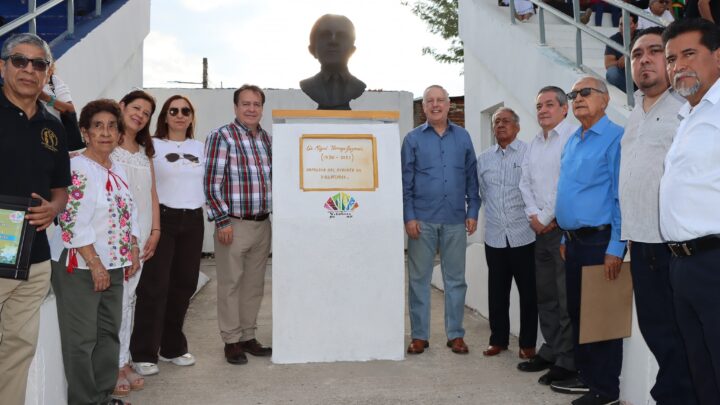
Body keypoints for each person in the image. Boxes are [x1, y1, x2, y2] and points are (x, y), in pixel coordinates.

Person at [618, 26, 698, 405]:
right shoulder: (633, 113)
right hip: (641, 243)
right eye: (636, 54)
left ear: (668, 62)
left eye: (654, 52)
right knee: (656, 334)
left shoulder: (686, 108)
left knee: (679, 339)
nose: (644, 60)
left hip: (674, 247)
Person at [51, 99, 139, 405]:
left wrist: (134, 247)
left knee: (108, 335)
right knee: (82, 340)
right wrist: (95, 262)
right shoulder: (77, 167)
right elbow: (70, 218)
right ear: (85, 132)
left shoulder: (118, 169)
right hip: (81, 265)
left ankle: (102, 396)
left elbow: (130, 211)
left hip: (114, 264)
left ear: (119, 133)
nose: (105, 132)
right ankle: (83, 400)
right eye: (97, 126)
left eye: (112, 126)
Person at [0, 33, 70, 405]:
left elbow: (61, 187)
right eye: (19, 61)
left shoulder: (53, 127)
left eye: (38, 64)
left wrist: (55, 207)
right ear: (3, 65)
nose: (29, 69)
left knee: (19, 349)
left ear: (48, 73)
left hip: (34, 258)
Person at [550, 76, 625, 405]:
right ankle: (587, 376)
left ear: (605, 100)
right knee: (579, 312)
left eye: (585, 92)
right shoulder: (573, 140)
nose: (577, 98)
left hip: (601, 242)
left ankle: (606, 391)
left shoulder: (615, 139)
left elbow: (620, 197)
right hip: (573, 242)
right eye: (573, 94)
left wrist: (616, 247)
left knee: (604, 317)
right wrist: (566, 235)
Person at [661, 18, 720, 404]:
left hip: (714, 262)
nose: (678, 65)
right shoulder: (689, 115)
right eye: (671, 59)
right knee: (702, 370)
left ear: (718, 56)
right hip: (683, 266)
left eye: (688, 54)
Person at [401, 84, 480, 355]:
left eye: (440, 100)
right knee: (418, 280)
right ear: (423, 107)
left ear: (449, 105)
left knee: (455, 280)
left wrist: (473, 211)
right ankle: (420, 336)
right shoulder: (412, 139)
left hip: (456, 219)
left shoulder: (464, 137)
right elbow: (405, 182)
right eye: (429, 101)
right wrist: (409, 216)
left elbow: (472, 177)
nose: (435, 105)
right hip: (421, 221)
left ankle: (455, 335)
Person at [130, 95, 204, 375]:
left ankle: (172, 347)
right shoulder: (151, 145)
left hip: (194, 220)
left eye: (186, 110)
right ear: (164, 115)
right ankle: (143, 352)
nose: (180, 115)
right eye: (174, 110)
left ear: (191, 116)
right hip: (164, 220)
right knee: (154, 287)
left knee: (184, 285)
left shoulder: (200, 146)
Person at [204, 84, 272, 365]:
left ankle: (248, 335)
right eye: (245, 103)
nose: (251, 109)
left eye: (256, 104)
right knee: (231, 284)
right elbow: (210, 183)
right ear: (235, 107)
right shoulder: (222, 137)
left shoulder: (267, 139)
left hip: (262, 223)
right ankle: (231, 340)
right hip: (233, 223)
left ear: (261, 108)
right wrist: (222, 221)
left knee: (254, 285)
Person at [518, 86, 577, 386]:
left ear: (564, 109)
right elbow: (524, 181)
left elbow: (564, 182)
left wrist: (544, 217)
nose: (543, 110)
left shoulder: (570, 138)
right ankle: (551, 349)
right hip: (540, 231)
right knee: (546, 296)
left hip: (561, 230)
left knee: (565, 297)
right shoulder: (534, 143)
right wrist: (534, 216)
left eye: (549, 104)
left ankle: (568, 359)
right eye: (539, 105)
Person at [476, 107, 538, 359]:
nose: (500, 125)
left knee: (528, 293)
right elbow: (482, 193)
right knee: (497, 293)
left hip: (524, 235)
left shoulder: (529, 153)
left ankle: (527, 344)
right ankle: (498, 339)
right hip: (494, 237)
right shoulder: (484, 159)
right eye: (496, 122)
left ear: (517, 126)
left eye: (506, 121)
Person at [112, 90, 160, 395]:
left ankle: (124, 359)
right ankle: (114, 365)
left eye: (146, 112)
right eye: (136, 108)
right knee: (117, 302)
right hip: (116, 239)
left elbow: (152, 194)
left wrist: (155, 231)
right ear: (122, 107)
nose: (140, 115)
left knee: (130, 300)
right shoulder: (107, 146)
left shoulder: (145, 151)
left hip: (142, 237)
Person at [300, 14, 366, 110]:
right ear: (312, 50)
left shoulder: (359, 87)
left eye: (342, 36)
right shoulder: (307, 87)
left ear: (352, 50)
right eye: (325, 35)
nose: (333, 41)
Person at [605, 14, 639, 92]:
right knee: (612, 73)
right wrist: (618, 62)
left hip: (640, 70)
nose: (623, 27)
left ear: (636, 25)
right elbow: (608, 64)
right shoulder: (613, 39)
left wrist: (628, 56)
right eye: (621, 24)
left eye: (627, 24)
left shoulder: (642, 35)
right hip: (624, 75)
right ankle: (633, 94)